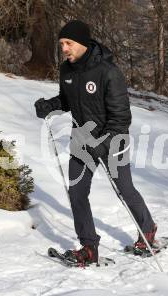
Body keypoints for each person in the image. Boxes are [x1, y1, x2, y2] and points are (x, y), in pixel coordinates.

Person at [34, 20, 157, 265]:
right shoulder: (66, 70)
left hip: (113, 140)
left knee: (125, 189)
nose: (64, 48)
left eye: (68, 43)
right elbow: (67, 100)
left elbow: (122, 118)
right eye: (61, 44)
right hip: (81, 140)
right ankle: (89, 247)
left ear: (82, 43)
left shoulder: (108, 72)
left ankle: (148, 229)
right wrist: (50, 105)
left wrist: (102, 144)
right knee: (77, 192)